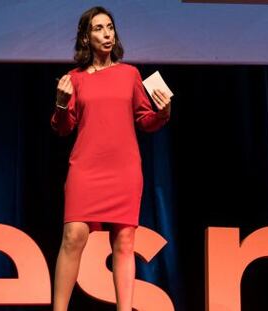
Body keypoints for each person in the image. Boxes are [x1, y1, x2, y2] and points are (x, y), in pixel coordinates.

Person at [51, 6, 171, 311]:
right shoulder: (74, 78)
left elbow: (146, 120)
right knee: (72, 236)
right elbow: (62, 128)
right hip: (86, 167)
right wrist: (62, 105)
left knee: (125, 242)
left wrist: (164, 112)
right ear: (85, 37)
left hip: (124, 169)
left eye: (109, 27)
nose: (106, 34)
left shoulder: (130, 74)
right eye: (98, 28)